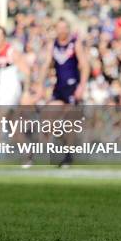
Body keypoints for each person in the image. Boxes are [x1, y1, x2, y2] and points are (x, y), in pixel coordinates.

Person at [38, 18, 89, 167]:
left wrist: (82, 86)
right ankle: (59, 146)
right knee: (48, 116)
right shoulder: (52, 45)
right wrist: (40, 85)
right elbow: (46, 65)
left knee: (70, 122)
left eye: (65, 27)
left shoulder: (74, 43)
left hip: (73, 87)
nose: (62, 30)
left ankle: (68, 155)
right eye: (59, 27)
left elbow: (85, 66)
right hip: (59, 88)